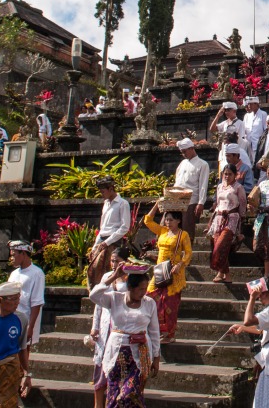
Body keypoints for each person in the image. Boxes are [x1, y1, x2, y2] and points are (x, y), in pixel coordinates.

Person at [89, 268, 160, 408]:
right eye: (140, 289)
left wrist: (156, 358)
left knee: (129, 394)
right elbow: (94, 295)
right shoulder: (115, 298)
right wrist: (113, 276)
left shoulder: (149, 303)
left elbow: (154, 332)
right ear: (130, 288)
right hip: (116, 353)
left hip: (140, 353)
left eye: (145, 288)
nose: (143, 292)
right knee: (114, 395)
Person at [231, 274, 269, 408]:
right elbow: (262, 330)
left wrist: (252, 297)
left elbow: (248, 320)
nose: (260, 297)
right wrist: (243, 328)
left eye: (262, 293)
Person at [144, 205, 191, 344]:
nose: (167, 222)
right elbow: (148, 221)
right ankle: (155, 330)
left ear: (178, 221)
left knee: (170, 304)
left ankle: (170, 334)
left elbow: (188, 252)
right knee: (150, 296)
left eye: (170, 220)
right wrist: (156, 206)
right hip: (159, 271)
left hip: (174, 272)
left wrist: (180, 264)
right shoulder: (163, 231)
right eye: (166, 219)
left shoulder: (183, 235)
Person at [89, 248, 129, 408]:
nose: (114, 264)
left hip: (121, 329)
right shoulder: (107, 277)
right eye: (112, 261)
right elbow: (97, 302)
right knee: (100, 375)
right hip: (105, 327)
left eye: (117, 261)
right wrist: (95, 326)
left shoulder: (130, 279)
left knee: (118, 374)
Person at [207, 163, 247, 283]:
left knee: (220, 246)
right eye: (225, 174)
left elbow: (243, 203)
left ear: (235, 175)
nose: (227, 176)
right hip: (219, 218)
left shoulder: (238, 187)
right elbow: (218, 203)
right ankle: (226, 275)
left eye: (230, 174)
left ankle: (220, 272)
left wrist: (242, 217)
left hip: (232, 218)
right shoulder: (219, 187)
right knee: (221, 247)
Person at [88, 176, 131, 286]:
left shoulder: (123, 203)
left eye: (103, 191)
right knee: (94, 269)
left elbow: (125, 227)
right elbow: (103, 227)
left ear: (111, 189)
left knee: (108, 269)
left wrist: (107, 242)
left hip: (113, 241)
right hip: (102, 240)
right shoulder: (106, 203)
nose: (102, 194)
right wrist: (95, 246)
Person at [6, 241, 45, 346]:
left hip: (26, 319)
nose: (12, 258)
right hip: (11, 318)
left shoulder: (37, 273)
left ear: (23, 253)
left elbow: (37, 302)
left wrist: (30, 327)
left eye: (14, 255)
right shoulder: (13, 274)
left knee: (23, 351)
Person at [171, 138, 209, 240]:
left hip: (191, 200)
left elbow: (203, 185)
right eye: (182, 152)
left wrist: (201, 202)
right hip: (176, 199)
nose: (183, 154)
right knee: (172, 228)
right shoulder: (182, 163)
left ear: (191, 148)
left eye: (185, 151)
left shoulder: (203, 164)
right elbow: (177, 180)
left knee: (187, 230)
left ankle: (187, 253)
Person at [241, 97, 268, 161]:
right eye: (248, 104)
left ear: (256, 104)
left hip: (258, 144)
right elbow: (244, 129)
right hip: (248, 144)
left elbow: (266, 130)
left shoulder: (263, 114)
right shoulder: (247, 116)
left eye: (251, 104)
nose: (249, 106)